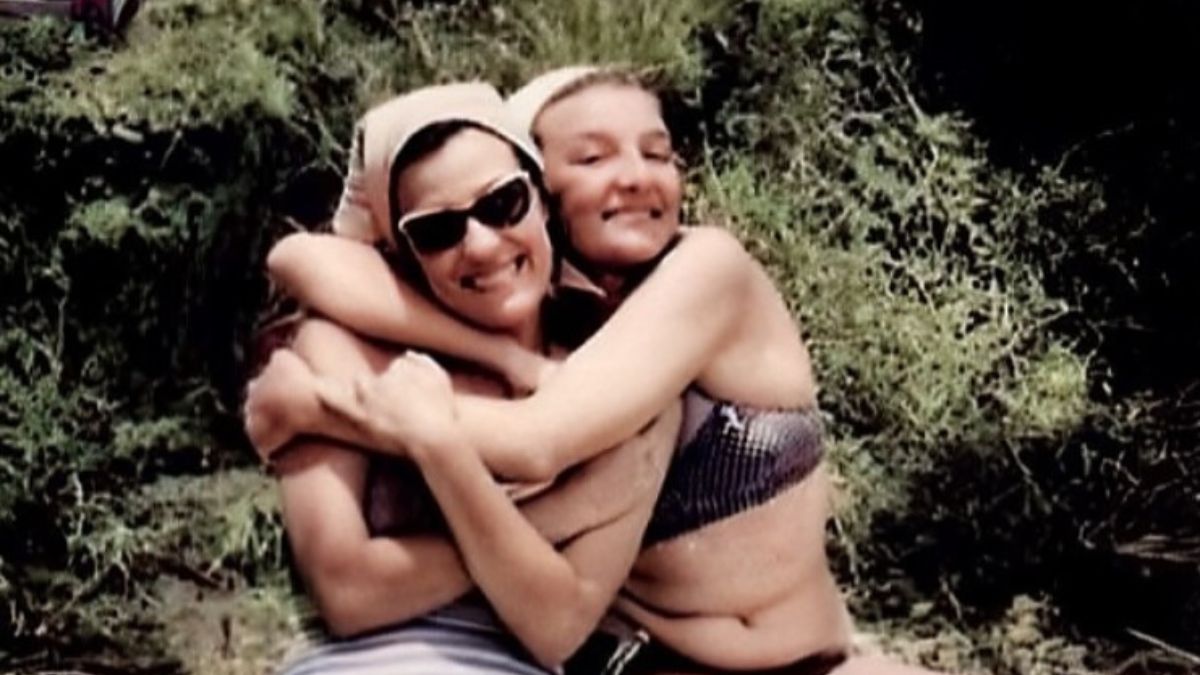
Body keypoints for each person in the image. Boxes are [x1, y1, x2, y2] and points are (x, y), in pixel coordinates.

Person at [253, 68, 941, 674]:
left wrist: (325, 405)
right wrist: (506, 359)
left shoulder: (702, 273)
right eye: (592, 156)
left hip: (813, 658)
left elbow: (538, 439)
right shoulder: (574, 342)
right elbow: (301, 258)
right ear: (548, 193)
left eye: (657, 152)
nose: (637, 176)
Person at [255, 81, 681, 674]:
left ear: (543, 202)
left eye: (502, 203)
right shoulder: (340, 350)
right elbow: (347, 592)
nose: (479, 245)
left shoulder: (611, 374)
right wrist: (563, 510)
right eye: (437, 231)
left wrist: (434, 440)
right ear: (407, 253)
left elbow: (558, 625)